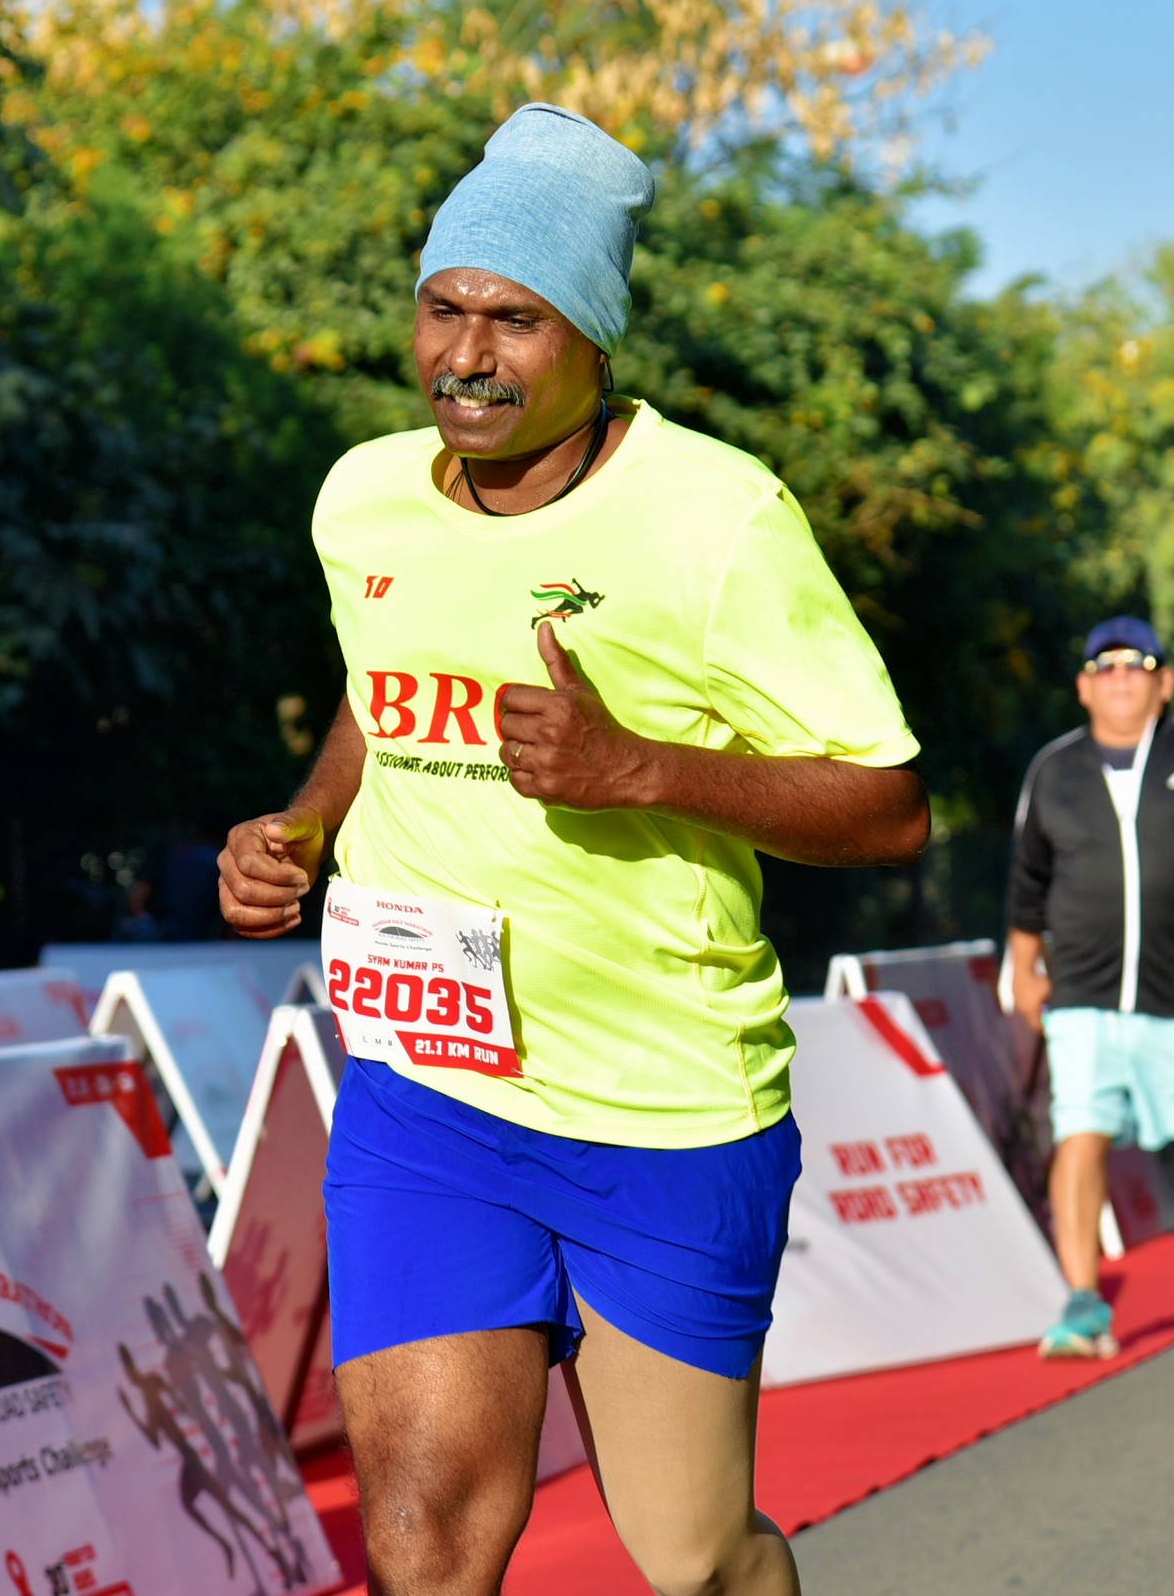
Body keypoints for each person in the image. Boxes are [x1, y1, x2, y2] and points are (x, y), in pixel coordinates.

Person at [216, 103, 928, 1596]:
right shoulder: (362, 497)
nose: (466, 356)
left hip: (661, 1105)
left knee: (694, 1554)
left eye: (516, 320)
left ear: (595, 339)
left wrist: (639, 769)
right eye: (443, 308)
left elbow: (888, 806)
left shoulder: (717, 518)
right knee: (422, 1538)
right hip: (429, 1090)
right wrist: (305, 824)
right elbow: (377, 686)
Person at [1005, 616, 1174, 1359]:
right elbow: (1027, 878)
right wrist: (1023, 964)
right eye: (1106, 667)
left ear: (1164, 683)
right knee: (1079, 1135)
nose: (1121, 678)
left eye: (1138, 665)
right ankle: (1083, 1298)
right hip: (1082, 994)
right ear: (1083, 686)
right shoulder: (1054, 771)